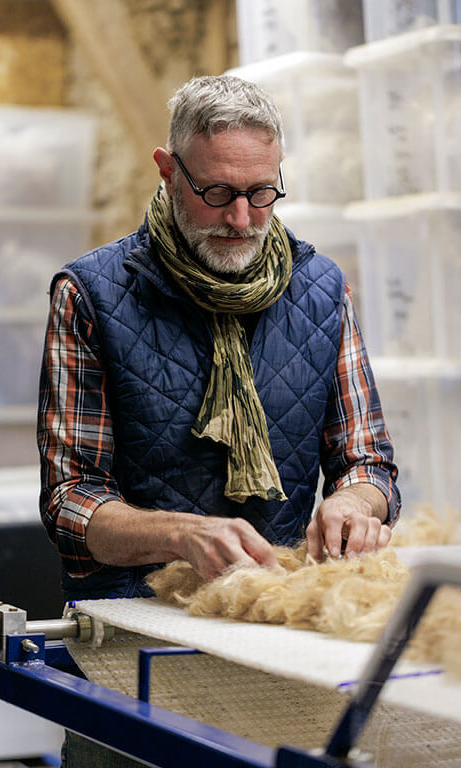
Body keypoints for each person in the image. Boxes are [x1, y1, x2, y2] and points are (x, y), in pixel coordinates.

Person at [37, 75, 400, 766]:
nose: (241, 219)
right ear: (168, 171)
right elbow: (70, 501)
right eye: (218, 193)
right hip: (129, 644)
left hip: (272, 637)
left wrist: (356, 500)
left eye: (262, 192)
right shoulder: (90, 294)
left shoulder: (322, 289)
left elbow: (368, 458)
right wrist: (180, 534)